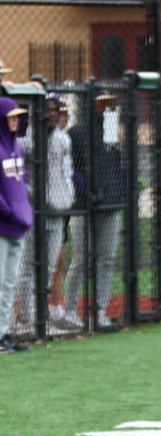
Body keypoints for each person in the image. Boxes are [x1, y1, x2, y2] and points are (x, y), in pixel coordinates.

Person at [59, 91, 124, 331]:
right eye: (102, 103)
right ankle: (69, 308)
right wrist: (87, 189)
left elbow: (117, 163)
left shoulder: (110, 132)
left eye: (108, 103)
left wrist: (117, 190)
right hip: (83, 208)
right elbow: (71, 171)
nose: (106, 107)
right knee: (81, 259)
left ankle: (99, 311)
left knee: (106, 259)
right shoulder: (75, 134)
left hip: (111, 204)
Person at [15, 94, 74, 336]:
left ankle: (42, 314)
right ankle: (28, 317)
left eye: (54, 109)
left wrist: (67, 196)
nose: (51, 114)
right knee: (29, 264)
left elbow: (66, 172)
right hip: (32, 211)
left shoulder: (62, 139)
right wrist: (31, 194)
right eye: (46, 109)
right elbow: (19, 175)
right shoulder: (25, 140)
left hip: (56, 210)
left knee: (49, 265)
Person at [0, 97, 32, 354]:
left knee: (10, 282)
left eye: (17, 116)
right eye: (11, 116)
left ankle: (3, 333)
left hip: (19, 226)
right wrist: (10, 212)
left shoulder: (17, 147)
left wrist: (24, 212)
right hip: (3, 226)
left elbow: (22, 183)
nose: (16, 120)